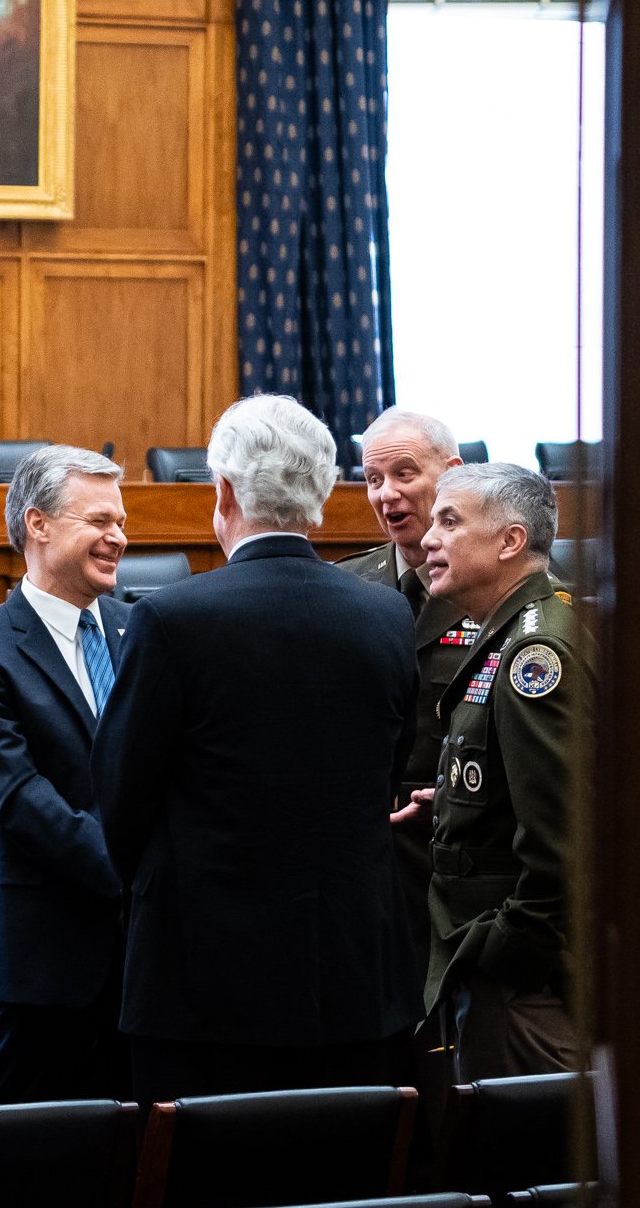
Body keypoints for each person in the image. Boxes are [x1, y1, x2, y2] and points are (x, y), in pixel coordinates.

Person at [93, 395, 425, 1102]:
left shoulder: (170, 617)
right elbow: (391, 770)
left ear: (223, 491)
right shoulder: (387, 614)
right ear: (322, 492)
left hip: (203, 993)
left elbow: (121, 800)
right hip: (353, 980)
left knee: (208, 1203)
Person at [0, 446, 131, 1102]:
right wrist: (137, 871)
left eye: (122, 521)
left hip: (156, 964)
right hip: (47, 972)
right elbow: (16, 801)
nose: (119, 538)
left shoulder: (149, 631)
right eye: (100, 519)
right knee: (42, 1170)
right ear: (38, 523)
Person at [416, 464, 592, 1081]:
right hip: (511, 966)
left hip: (527, 987)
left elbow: (563, 841)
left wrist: (506, 954)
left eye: (449, 521)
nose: (429, 539)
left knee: (519, 1168)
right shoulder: (525, 624)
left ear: (510, 541)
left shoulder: (532, 654)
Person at [338, 408, 478, 975]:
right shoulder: (343, 588)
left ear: (452, 473)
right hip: (364, 857)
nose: (386, 494)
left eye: (404, 474)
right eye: (373, 479)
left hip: (460, 854)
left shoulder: (493, 586)